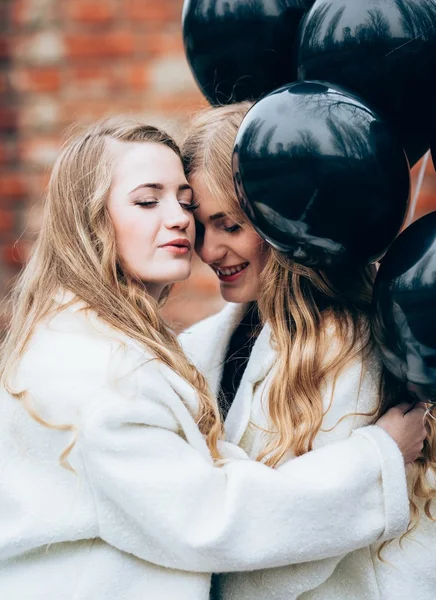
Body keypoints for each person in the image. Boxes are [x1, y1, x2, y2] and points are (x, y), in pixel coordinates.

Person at [0, 116, 424, 600]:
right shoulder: (99, 370)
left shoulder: (341, 341)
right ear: (89, 219)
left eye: (193, 208)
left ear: (279, 219)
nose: (189, 229)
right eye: (147, 200)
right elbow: (212, 520)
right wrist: (378, 460)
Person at [180, 103, 436, 599]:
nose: (210, 251)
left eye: (230, 226)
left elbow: (286, 560)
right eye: (201, 228)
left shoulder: (350, 343)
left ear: (284, 220)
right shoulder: (202, 346)